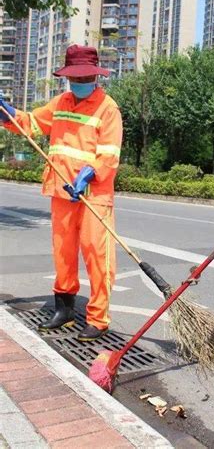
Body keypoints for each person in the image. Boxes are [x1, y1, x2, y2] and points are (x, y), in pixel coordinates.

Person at [0, 44, 123, 342]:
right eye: (74, 79)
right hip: (61, 190)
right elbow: (28, 123)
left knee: (97, 253)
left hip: (93, 194)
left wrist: (87, 175)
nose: (79, 84)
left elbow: (109, 155)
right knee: (63, 253)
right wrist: (6, 112)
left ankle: (98, 318)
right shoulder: (61, 103)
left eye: (84, 79)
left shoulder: (108, 109)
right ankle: (65, 308)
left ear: (96, 77)